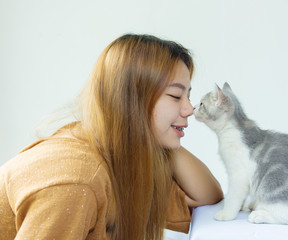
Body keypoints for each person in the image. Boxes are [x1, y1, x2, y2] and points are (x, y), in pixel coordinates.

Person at [0, 34, 223, 240]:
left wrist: (155, 134)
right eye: (176, 96)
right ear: (131, 100)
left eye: (188, 95)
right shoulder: (76, 180)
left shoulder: (120, 160)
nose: (189, 109)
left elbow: (207, 195)